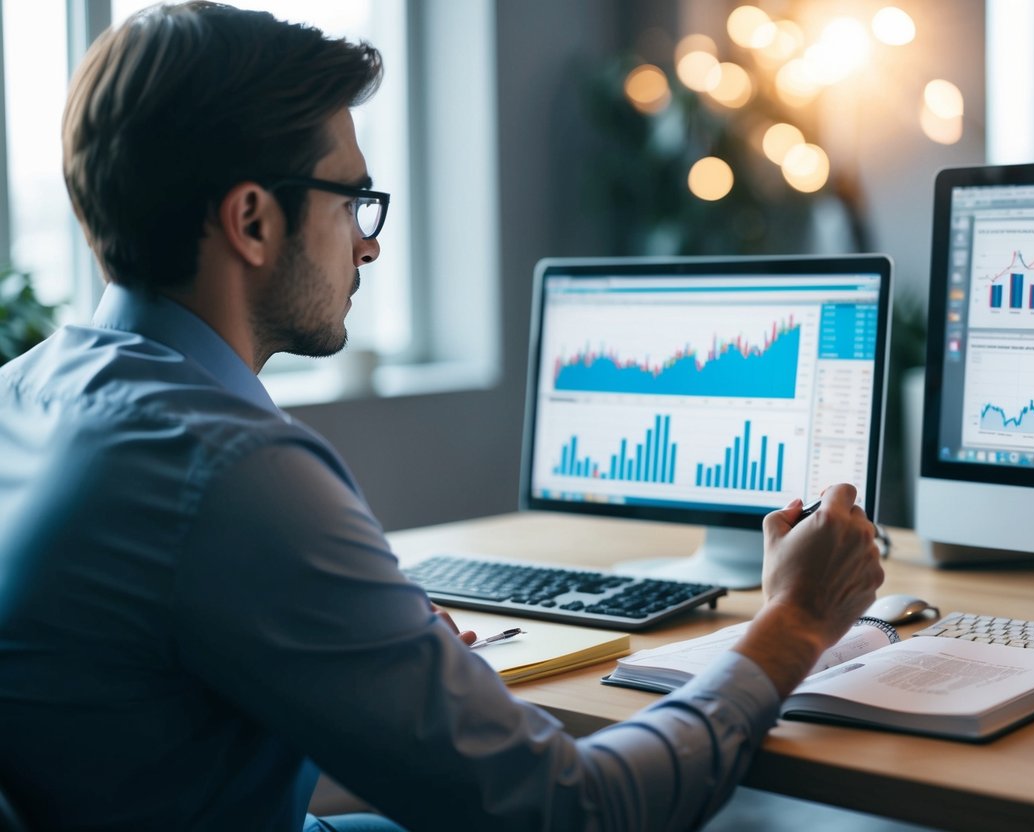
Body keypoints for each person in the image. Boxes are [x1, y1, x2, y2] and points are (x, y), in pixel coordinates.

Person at [0, 3, 883, 830]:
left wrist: (363, 665)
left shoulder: (27, 393)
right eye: (352, 201)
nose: (369, 242)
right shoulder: (229, 468)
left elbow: (170, 735)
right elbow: (570, 812)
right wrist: (796, 622)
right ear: (252, 221)